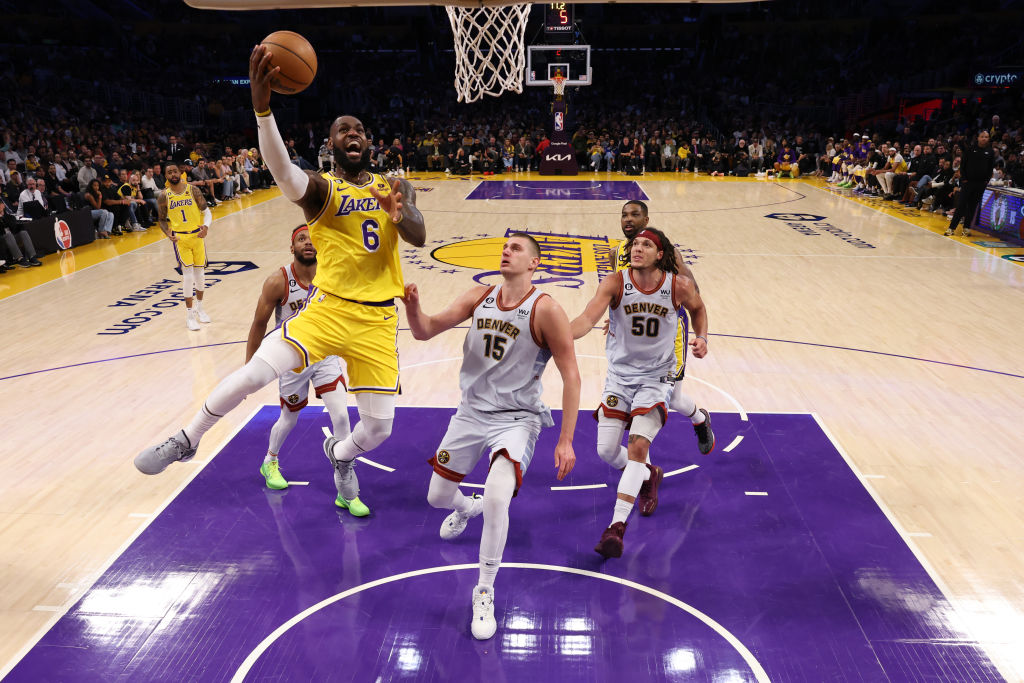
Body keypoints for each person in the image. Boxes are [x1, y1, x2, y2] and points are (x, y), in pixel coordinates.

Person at [135, 45, 427, 510]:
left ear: (369, 144)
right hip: (329, 310)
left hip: (378, 321)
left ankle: (340, 453)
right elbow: (281, 170)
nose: (353, 134)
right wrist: (262, 109)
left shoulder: (394, 185)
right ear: (330, 146)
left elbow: (418, 236)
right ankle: (187, 439)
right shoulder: (320, 189)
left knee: (378, 430)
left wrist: (400, 214)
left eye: (361, 131)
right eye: (343, 130)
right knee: (254, 373)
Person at [401, 232, 580, 640]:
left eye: (516, 248)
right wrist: (414, 308)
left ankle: (484, 589)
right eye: (504, 246)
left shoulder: (546, 308)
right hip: (471, 412)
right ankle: (466, 508)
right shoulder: (478, 296)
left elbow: (572, 375)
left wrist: (565, 439)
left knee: (499, 496)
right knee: (436, 497)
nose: (506, 251)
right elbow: (424, 331)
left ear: (534, 262)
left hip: (518, 417)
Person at [572, 225, 708, 558]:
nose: (637, 248)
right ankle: (650, 475)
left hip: (656, 377)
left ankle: (616, 528)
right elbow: (587, 318)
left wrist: (702, 337)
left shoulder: (678, 285)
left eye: (646, 245)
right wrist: (557, 334)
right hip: (619, 376)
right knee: (606, 451)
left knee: (638, 445)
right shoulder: (615, 281)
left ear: (660, 254)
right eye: (635, 244)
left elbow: (699, 309)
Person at [245, 225, 368, 515]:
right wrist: (249, 371)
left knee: (341, 415)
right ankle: (270, 461)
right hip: (293, 360)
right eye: (301, 239)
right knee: (289, 420)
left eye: (312, 240)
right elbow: (259, 324)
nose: (308, 244)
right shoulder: (279, 281)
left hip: (324, 356)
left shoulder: (331, 276)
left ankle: (345, 488)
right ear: (292, 247)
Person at [610, 201, 714, 456]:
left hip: (668, 334)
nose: (628, 219)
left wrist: (701, 335)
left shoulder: (666, 253)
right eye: (624, 215)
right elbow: (618, 293)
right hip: (633, 337)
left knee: (674, 398)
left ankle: (700, 420)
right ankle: (640, 466)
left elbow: (694, 294)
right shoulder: (616, 253)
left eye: (635, 215)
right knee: (630, 391)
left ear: (646, 221)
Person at [157, 162, 213, 331]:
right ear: (166, 176)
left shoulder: (193, 190)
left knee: (201, 275)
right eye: (169, 172)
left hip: (197, 236)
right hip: (181, 239)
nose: (173, 174)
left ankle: (200, 308)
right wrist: (168, 233)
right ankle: (189, 315)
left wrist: (207, 227)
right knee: (188, 277)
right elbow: (161, 219)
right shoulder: (164, 196)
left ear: (180, 173)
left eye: (175, 171)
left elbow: (206, 211)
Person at [945, 130, 995, 237]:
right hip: (968, 182)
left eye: (986, 137)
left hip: (981, 184)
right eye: (982, 136)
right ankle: (951, 228)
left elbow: (990, 167)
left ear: (988, 139)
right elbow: (963, 165)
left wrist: (986, 181)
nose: (984, 138)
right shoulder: (970, 149)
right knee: (961, 205)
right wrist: (964, 179)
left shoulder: (990, 151)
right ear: (978, 138)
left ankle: (966, 228)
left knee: (972, 206)